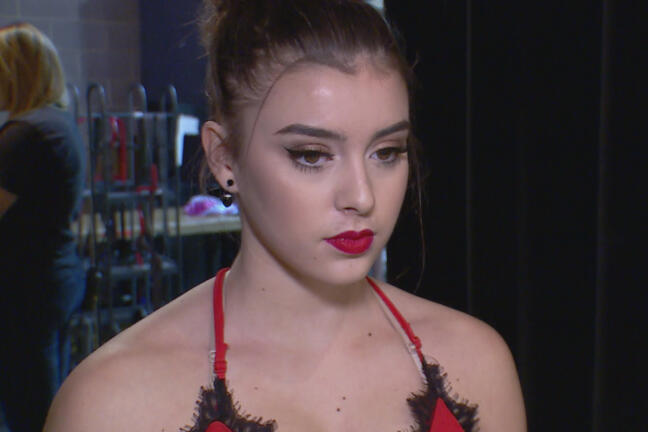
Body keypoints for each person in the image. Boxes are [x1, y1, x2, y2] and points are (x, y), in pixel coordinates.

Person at [44, 1, 526, 431]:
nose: (361, 196)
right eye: (311, 155)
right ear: (224, 158)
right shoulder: (113, 404)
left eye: (386, 152)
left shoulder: (474, 363)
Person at [0, 22, 86, 432]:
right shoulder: (57, 123)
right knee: (47, 401)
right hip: (55, 277)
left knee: (31, 411)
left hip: (25, 289)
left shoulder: (23, 135)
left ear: (14, 72)